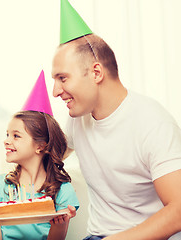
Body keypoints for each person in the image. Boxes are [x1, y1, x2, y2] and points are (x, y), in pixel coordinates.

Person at [51, 0, 181, 239]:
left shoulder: (154, 124)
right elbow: (47, 157)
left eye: (62, 78)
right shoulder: (78, 120)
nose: (55, 91)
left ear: (96, 73)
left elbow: (178, 211)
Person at [0, 71, 79, 240]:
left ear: (40, 146)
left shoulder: (62, 191)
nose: (6, 141)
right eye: (7, 134)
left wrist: (60, 225)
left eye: (16, 136)